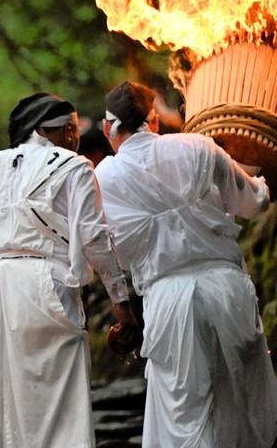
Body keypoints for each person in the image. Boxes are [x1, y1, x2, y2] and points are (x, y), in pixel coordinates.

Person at [0, 92, 140, 448]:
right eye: (71, 129)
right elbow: (94, 238)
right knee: (53, 421)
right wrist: (122, 306)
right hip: (44, 288)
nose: (75, 138)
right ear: (55, 130)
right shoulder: (74, 166)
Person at [95, 80, 277, 448]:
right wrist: (259, 175)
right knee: (239, 403)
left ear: (106, 128)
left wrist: (124, 312)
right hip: (227, 291)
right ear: (154, 121)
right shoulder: (199, 146)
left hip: (168, 298)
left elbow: (105, 254)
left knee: (184, 417)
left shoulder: (102, 180)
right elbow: (253, 203)